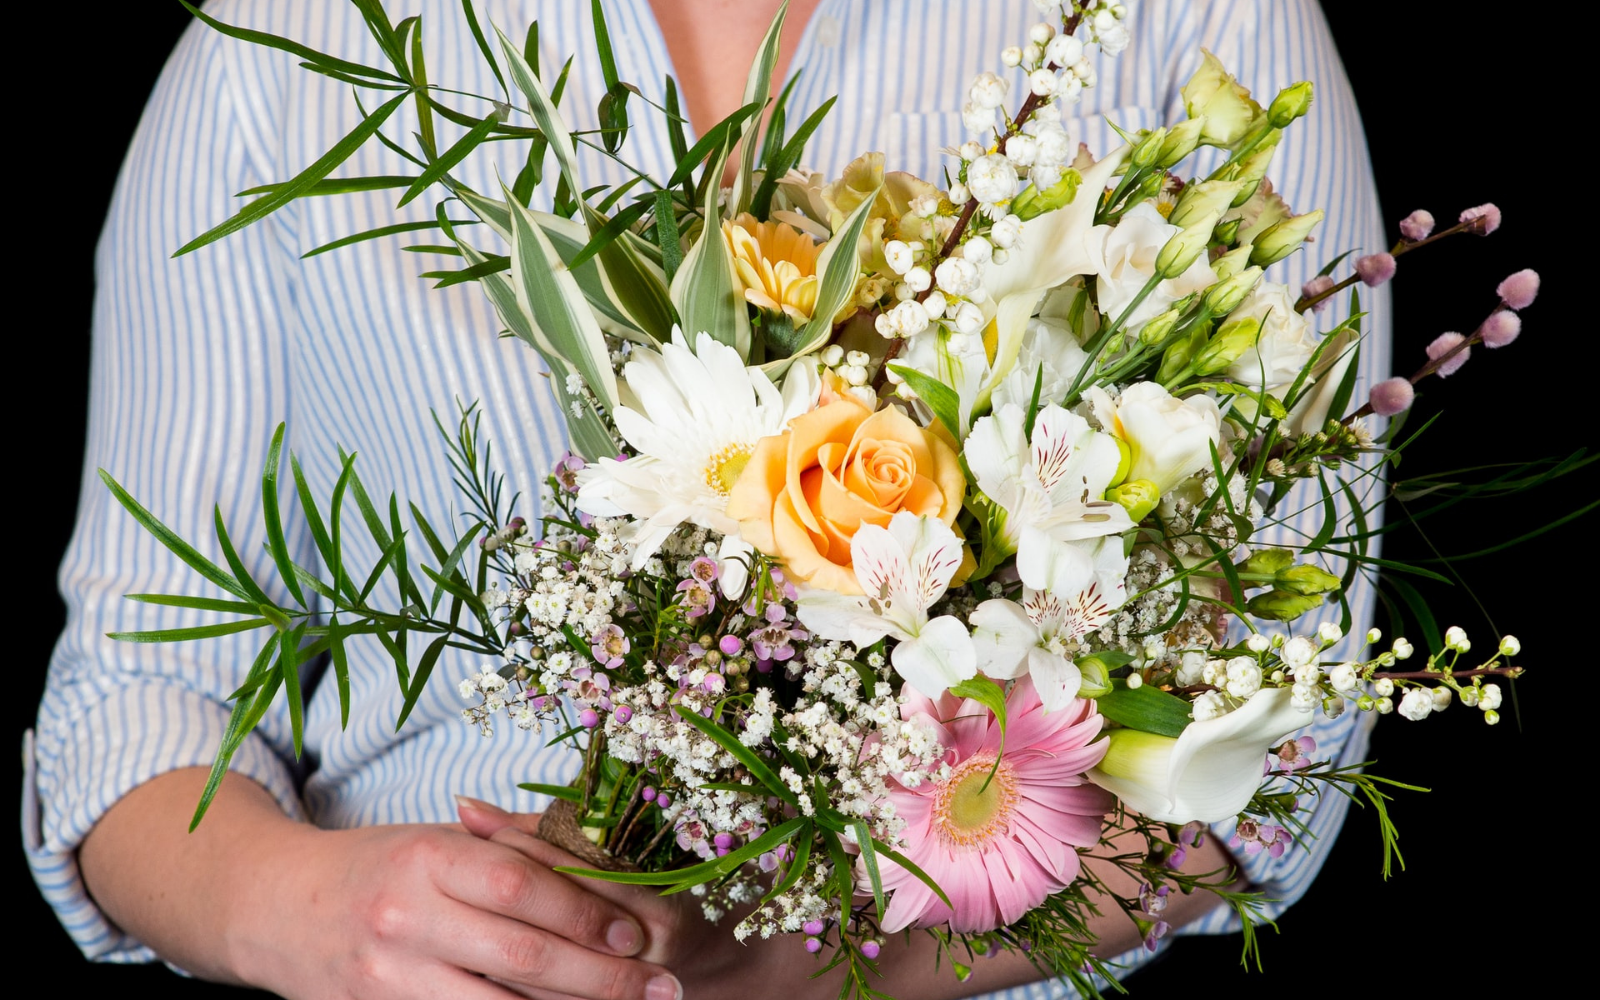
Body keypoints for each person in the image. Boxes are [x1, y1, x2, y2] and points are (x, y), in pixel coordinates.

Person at [23, 2, 1390, 997]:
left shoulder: (1188, 19)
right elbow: (137, 693)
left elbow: (1276, 747)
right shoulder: (285, 44)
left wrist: (826, 963)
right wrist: (312, 909)